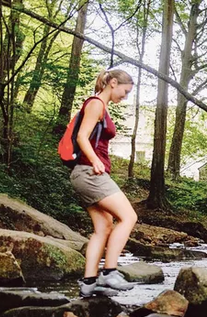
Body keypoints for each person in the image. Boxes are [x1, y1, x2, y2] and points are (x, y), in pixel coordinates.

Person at [71, 69, 138, 297]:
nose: (125, 97)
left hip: (86, 173)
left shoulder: (102, 106)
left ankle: (89, 282)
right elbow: (81, 136)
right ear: (113, 82)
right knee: (129, 217)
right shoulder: (96, 103)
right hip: (89, 172)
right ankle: (109, 272)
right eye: (125, 91)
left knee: (103, 228)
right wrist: (95, 161)